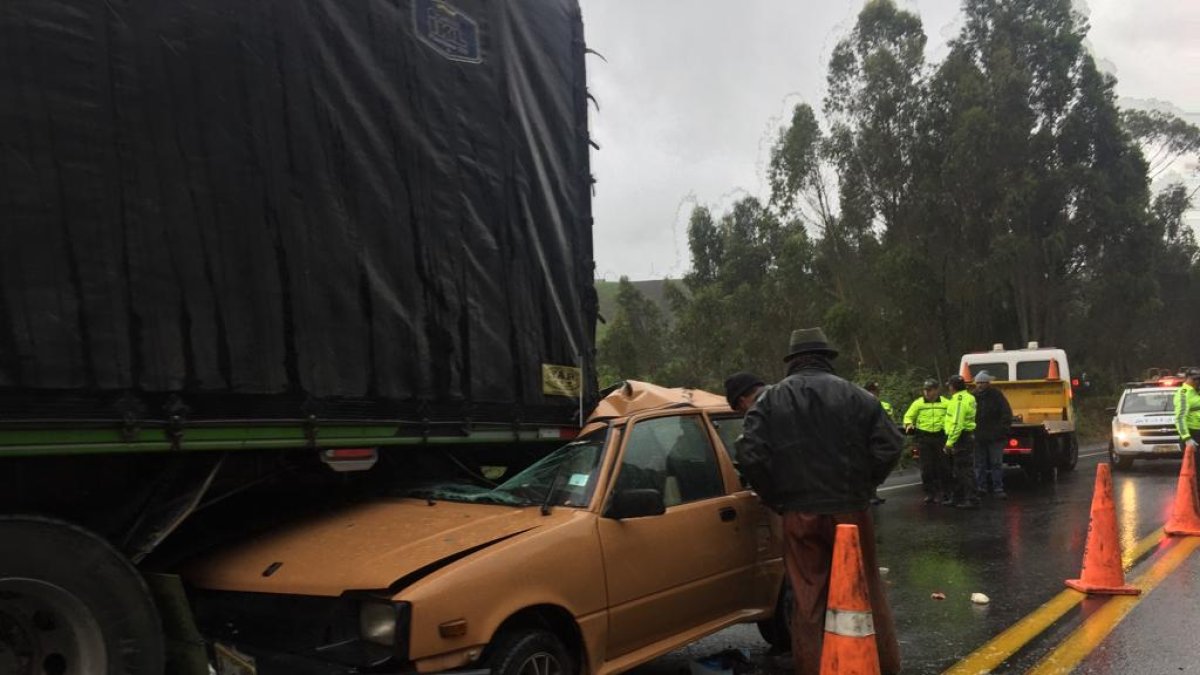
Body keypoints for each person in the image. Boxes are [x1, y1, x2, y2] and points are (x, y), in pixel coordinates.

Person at [736, 327, 902, 675]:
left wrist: (778, 498)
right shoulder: (858, 396)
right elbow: (889, 446)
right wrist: (863, 487)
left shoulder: (768, 401)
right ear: (827, 358)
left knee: (808, 598)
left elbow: (750, 456)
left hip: (799, 514)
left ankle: (814, 668)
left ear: (793, 361)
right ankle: (881, 665)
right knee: (865, 589)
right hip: (851, 511)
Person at [903, 379, 950, 505]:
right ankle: (930, 493)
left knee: (943, 466)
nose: (926, 393)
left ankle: (946, 492)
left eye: (929, 390)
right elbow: (908, 416)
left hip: (941, 437)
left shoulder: (946, 403)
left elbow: (953, 417)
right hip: (924, 439)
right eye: (925, 390)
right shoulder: (918, 403)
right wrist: (908, 424)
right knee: (926, 467)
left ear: (936, 390)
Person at [972, 370, 1013, 498]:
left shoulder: (997, 395)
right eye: (978, 383)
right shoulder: (972, 397)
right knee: (979, 464)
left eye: (982, 383)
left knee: (996, 463)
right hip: (978, 436)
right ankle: (981, 488)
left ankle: (998, 488)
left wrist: (1002, 431)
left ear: (988, 383)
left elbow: (1006, 413)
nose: (980, 385)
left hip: (995, 437)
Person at [944, 374, 979, 509]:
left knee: (964, 470)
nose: (949, 388)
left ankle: (971, 499)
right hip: (966, 436)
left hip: (961, 437)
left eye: (949, 386)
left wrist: (949, 442)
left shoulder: (958, 400)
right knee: (959, 469)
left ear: (953, 387)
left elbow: (957, 423)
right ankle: (958, 497)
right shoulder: (969, 397)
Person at [864, 381, 893, 505]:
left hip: (880, 440)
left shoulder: (885, 405)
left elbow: (890, 421)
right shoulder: (861, 404)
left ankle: (873, 494)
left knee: (876, 467)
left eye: (875, 391)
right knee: (867, 468)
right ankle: (868, 495)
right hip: (866, 440)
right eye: (871, 391)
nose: (874, 394)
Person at [1175, 368, 1200, 451]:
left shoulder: (1197, 390)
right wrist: (1187, 438)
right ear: (1188, 378)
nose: (1197, 381)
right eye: (1195, 379)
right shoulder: (1183, 393)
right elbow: (1180, 418)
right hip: (1193, 434)